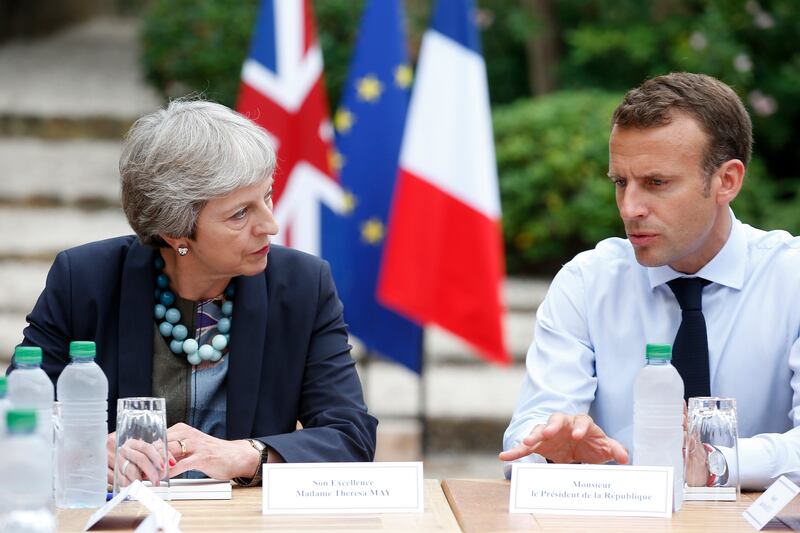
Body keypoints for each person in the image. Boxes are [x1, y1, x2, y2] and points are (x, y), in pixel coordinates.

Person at [10, 99, 377, 486]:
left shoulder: (303, 285)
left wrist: (247, 454)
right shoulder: (84, 281)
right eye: (240, 213)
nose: (270, 224)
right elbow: (17, 415)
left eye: (267, 196)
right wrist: (79, 447)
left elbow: (350, 437)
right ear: (176, 233)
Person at [500, 72, 800, 490]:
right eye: (621, 183)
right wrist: (553, 451)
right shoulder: (587, 282)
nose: (630, 207)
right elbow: (530, 436)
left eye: (656, 183)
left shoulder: (791, 279)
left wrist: (712, 461)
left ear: (726, 181)